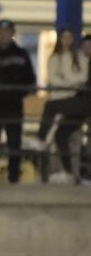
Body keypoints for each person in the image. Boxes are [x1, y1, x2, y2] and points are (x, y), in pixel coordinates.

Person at [0, 19, 35, 184]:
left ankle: (13, 176)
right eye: (1, 31)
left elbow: (29, 78)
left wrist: (18, 93)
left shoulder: (21, 54)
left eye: (7, 31)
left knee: (14, 142)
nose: (4, 35)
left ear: (12, 33)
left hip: (13, 105)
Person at [32, 29, 89, 184]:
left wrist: (67, 77)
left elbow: (81, 78)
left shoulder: (79, 58)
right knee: (61, 135)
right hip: (69, 100)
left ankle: (40, 138)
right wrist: (72, 82)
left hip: (81, 102)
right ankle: (69, 172)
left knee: (50, 107)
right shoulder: (57, 57)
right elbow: (55, 79)